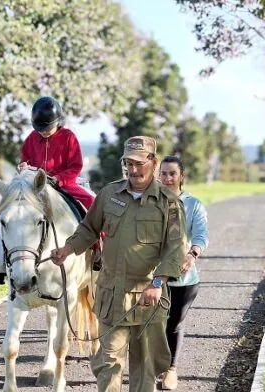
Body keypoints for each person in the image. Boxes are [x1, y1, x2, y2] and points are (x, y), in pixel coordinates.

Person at [51, 136, 187, 392]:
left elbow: (176, 249)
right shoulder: (109, 194)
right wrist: (68, 249)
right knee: (109, 362)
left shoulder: (169, 203)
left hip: (149, 299)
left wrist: (158, 282)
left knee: (144, 366)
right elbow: (89, 228)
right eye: (128, 163)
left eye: (138, 163)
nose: (133, 170)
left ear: (153, 162)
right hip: (111, 296)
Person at [0, 96, 99, 285]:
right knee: (7, 216)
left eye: (47, 128)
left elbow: (75, 167)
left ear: (57, 121)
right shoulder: (31, 139)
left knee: (93, 202)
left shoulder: (68, 137)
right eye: (40, 129)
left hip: (64, 184)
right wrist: (24, 167)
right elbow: (25, 160)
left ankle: (99, 247)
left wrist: (58, 179)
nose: (43, 132)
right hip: (34, 188)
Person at [158, 155, 209, 390]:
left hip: (183, 278)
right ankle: (152, 367)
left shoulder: (194, 205)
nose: (168, 178)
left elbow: (200, 236)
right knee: (151, 325)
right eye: (164, 173)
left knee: (173, 324)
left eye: (172, 174)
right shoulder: (151, 201)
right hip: (153, 276)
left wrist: (191, 255)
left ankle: (171, 370)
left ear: (182, 176)